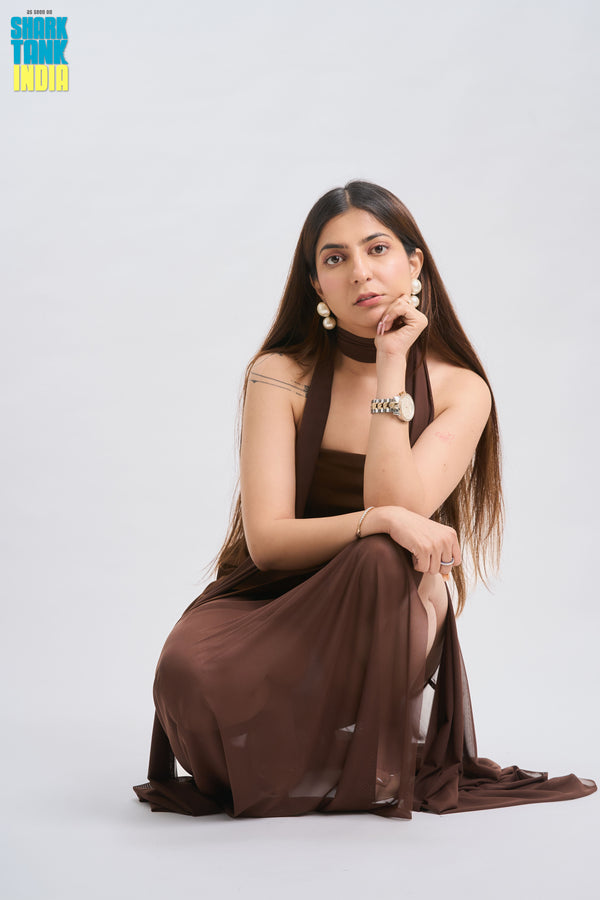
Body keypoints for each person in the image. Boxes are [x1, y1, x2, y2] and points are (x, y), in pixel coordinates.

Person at [133, 181, 596, 819]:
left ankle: (340, 750)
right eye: (334, 259)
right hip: (273, 593)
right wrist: (377, 518)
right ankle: (313, 746)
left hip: (390, 598)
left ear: (415, 262)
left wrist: (390, 365)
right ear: (316, 285)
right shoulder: (278, 373)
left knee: (381, 557)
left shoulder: (462, 389)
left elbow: (397, 504)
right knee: (188, 680)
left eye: (377, 248)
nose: (360, 272)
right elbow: (268, 543)